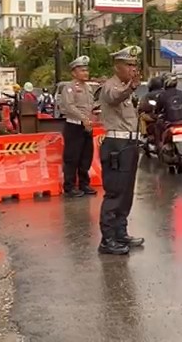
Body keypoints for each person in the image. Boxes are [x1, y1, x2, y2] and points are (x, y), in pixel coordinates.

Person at [98, 46, 144, 256]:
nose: (133, 69)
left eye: (135, 65)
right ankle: (107, 240)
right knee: (115, 193)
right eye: (128, 65)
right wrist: (130, 88)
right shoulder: (111, 86)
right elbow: (114, 97)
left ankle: (120, 233)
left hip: (129, 145)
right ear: (117, 67)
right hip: (116, 145)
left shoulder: (126, 86)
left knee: (126, 194)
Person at [59, 56, 97, 198]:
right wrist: (83, 118)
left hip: (87, 126)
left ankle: (84, 184)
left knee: (86, 157)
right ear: (74, 73)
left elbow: (90, 106)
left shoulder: (88, 88)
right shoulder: (69, 88)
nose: (85, 73)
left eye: (86, 70)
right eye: (82, 70)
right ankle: (69, 186)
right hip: (74, 126)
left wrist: (95, 112)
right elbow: (69, 107)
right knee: (72, 158)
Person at [153, 73, 182, 160]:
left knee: (157, 126)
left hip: (170, 123)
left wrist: (156, 113)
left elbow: (157, 110)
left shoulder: (162, 95)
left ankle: (158, 147)